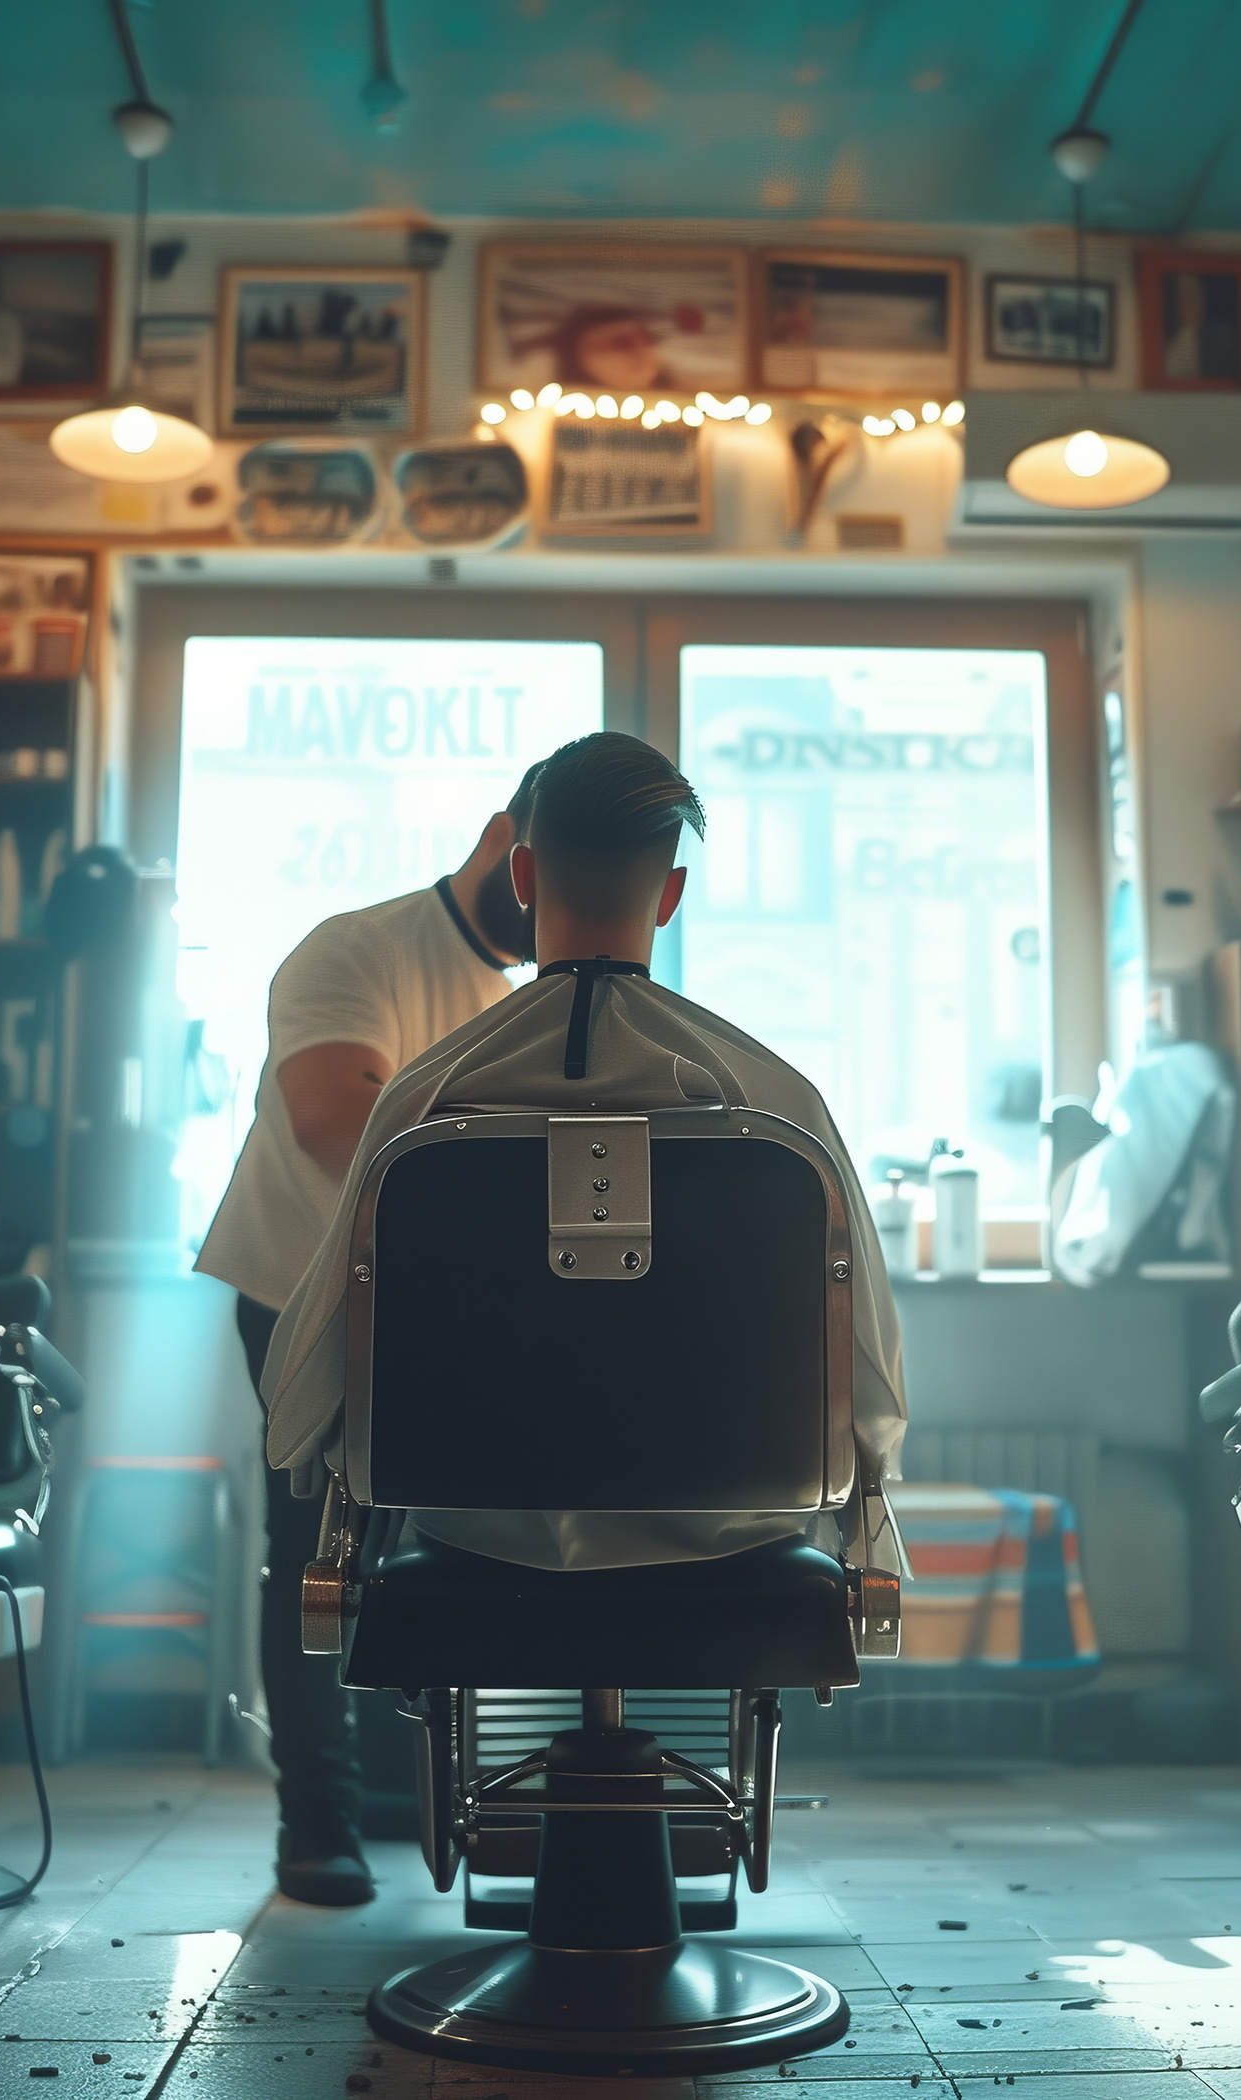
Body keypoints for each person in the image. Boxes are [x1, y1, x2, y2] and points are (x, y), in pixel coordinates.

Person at [258, 731, 906, 1574]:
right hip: (734, 1553)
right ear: (670, 896)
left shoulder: (422, 1105)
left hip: (474, 1547)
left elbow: (305, 1388)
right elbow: (870, 1379)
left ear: (524, 877)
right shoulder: (780, 1107)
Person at [194, 765, 544, 1907]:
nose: (551, 915)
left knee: (439, 1546)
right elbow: (334, 1118)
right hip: (303, 1295)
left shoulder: (524, 997)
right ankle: (318, 1821)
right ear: (500, 839)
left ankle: (415, 1793)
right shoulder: (356, 951)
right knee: (317, 1553)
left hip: (443, 1303)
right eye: (542, 881)